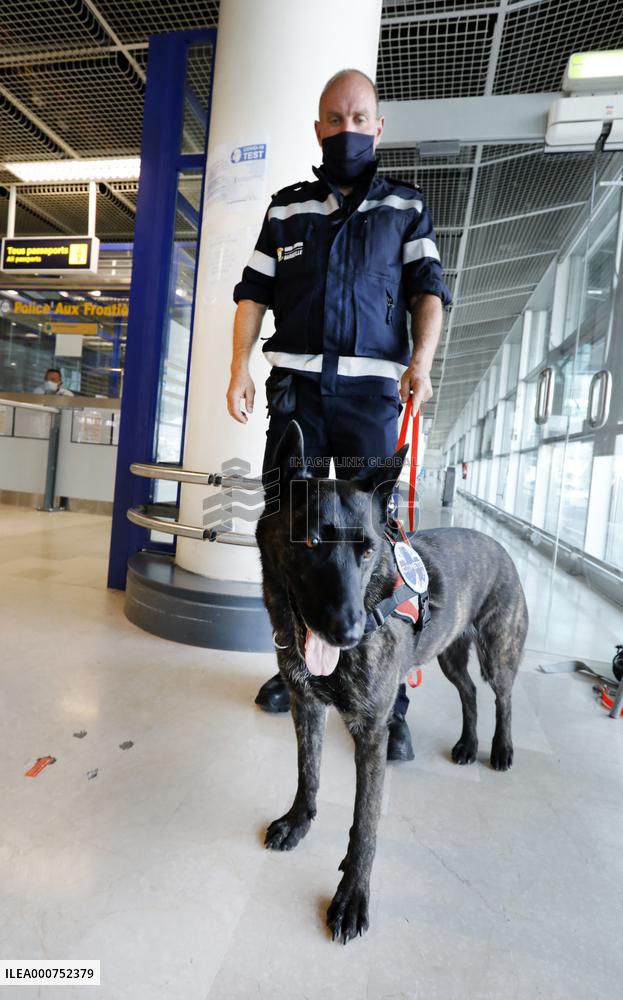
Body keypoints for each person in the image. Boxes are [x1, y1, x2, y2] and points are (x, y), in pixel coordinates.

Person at [227, 68, 451, 761]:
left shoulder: (405, 208)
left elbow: (428, 293)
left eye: (359, 118)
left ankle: (393, 697)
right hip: (296, 398)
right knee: (287, 536)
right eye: (334, 118)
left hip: (367, 403)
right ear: (318, 126)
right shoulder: (287, 208)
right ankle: (295, 666)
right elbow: (252, 293)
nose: (347, 128)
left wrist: (421, 360)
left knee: (374, 543)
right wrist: (239, 364)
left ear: (376, 127)